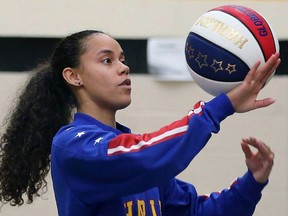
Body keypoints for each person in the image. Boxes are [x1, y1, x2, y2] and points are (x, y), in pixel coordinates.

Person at [0, 30, 279, 216]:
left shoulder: (134, 156)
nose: (124, 67)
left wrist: (252, 182)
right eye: (107, 60)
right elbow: (144, 155)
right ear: (74, 76)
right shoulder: (74, 145)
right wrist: (222, 105)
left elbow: (197, 211)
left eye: (122, 59)